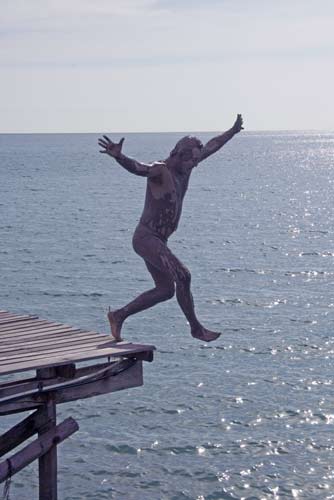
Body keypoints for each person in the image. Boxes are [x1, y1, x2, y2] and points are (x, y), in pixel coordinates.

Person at [98, 114, 243, 342]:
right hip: (146, 238)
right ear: (178, 155)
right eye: (191, 161)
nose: (195, 165)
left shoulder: (186, 168)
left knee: (166, 290)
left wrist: (232, 132)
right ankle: (196, 328)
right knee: (183, 276)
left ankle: (118, 315)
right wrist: (119, 157)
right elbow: (138, 168)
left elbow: (212, 146)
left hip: (159, 241)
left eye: (196, 161)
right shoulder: (161, 170)